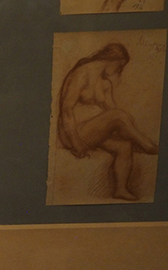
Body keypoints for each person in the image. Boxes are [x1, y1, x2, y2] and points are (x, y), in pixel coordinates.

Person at [57, 42, 158, 201]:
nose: (119, 71)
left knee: (124, 146)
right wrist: (75, 142)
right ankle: (147, 145)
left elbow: (112, 113)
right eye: (120, 66)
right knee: (118, 116)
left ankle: (121, 189)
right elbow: (66, 110)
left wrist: (125, 132)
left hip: (92, 133)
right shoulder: (82, 73)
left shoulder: (104, 82)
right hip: (72, 133)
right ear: (113, 60)